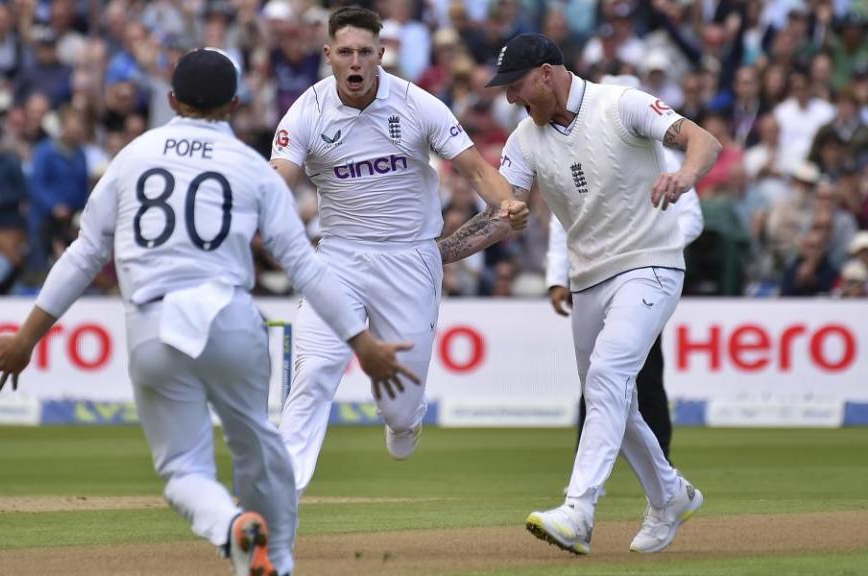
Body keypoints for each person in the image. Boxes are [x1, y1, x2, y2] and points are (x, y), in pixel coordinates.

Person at [0, 47, 419, 576]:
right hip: (229, 319)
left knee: (183, 468)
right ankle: (277, 560)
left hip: (153, 328)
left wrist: (26, 338)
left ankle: (230, 527)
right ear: (233, 104)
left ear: (170, 99)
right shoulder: (251, 166)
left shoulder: (133, 156)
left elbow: (84, 254)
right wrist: (359, 341)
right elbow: (303, 264)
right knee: (260, 450)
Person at [438, 34, 720, 555]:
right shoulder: (525, 139)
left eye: (517, 86)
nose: (510, 99)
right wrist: (436, 255)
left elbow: (704, 140)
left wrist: (683, 174)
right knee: (611, 395)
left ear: (547, 73)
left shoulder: (622, 103)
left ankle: (579, 509)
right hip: (589, 277)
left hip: (651, 262)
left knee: (609, 376)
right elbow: (505, 216)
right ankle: (671, 494)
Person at [268, 6, 528, 496]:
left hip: (410, 259)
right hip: (339, 258)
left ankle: (406, 421)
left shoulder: (417, 104)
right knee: (315, 373)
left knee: (399, 407)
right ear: (328, 55)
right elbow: (277, 177)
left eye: (365, 52)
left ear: (380, 54)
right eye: (345, 52)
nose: (355, 62)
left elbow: (475, 171)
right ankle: (280, 498)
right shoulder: (306, 110)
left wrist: (508, 204)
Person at [547, 75, 705, 464]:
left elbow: (692, 219)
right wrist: (557, 277)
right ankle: (587, 462)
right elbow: (561, 218)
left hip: (645, 278)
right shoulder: (582, 151)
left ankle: (659, 462)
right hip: (594, 275)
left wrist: (650, 250)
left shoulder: (665, 158)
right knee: (594, 378)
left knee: (646, 376)